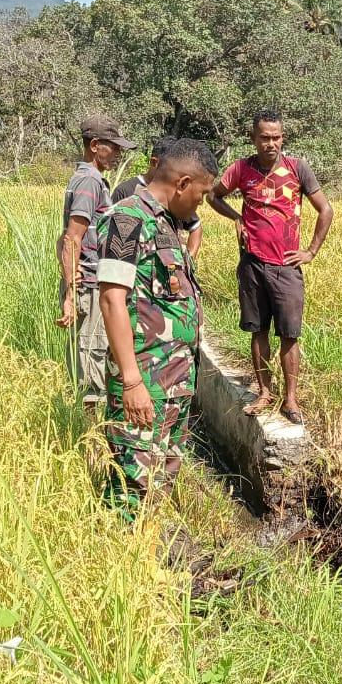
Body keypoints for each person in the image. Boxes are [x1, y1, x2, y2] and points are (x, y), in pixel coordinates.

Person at [96, 138, 219, 521]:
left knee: (160, 478)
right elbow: (112, 299)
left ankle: (146, 560)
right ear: (182, 183)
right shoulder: (128, 218)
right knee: (132, 484)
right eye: (200, 196)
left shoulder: (167, 224)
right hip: (145, 381)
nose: (199, 205)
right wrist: (132, 382)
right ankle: (122, 562)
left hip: (173, 383)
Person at [209, 110, 334, 425]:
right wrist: (236, 218)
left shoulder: (297, 169)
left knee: (289, 335)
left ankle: (290, 398)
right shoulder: (241, 169)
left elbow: (325, 210)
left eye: (276, 137)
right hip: (252, 264)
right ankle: (265, 391)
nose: (271, 143)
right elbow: (213, 196)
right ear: (253, 138)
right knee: (258, 330)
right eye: (264, 137)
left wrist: (311, 252)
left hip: (286, 267)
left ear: (283, 138)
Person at [55, 115, 136, 409]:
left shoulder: (90, 180)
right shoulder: (89, 181)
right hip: (88, 286)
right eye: (112, 147)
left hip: (88, 283)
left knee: (93, 359)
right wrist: (70, 293)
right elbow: (72, 238)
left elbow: (66, 238)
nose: (117, 154)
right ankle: (91, 448)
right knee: (92, 363)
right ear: (95, 146)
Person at [112, 136, 204, 260]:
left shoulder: (175, 196)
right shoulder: (125, 191)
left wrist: (188, 263)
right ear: (154, 163)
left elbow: (195, 226)